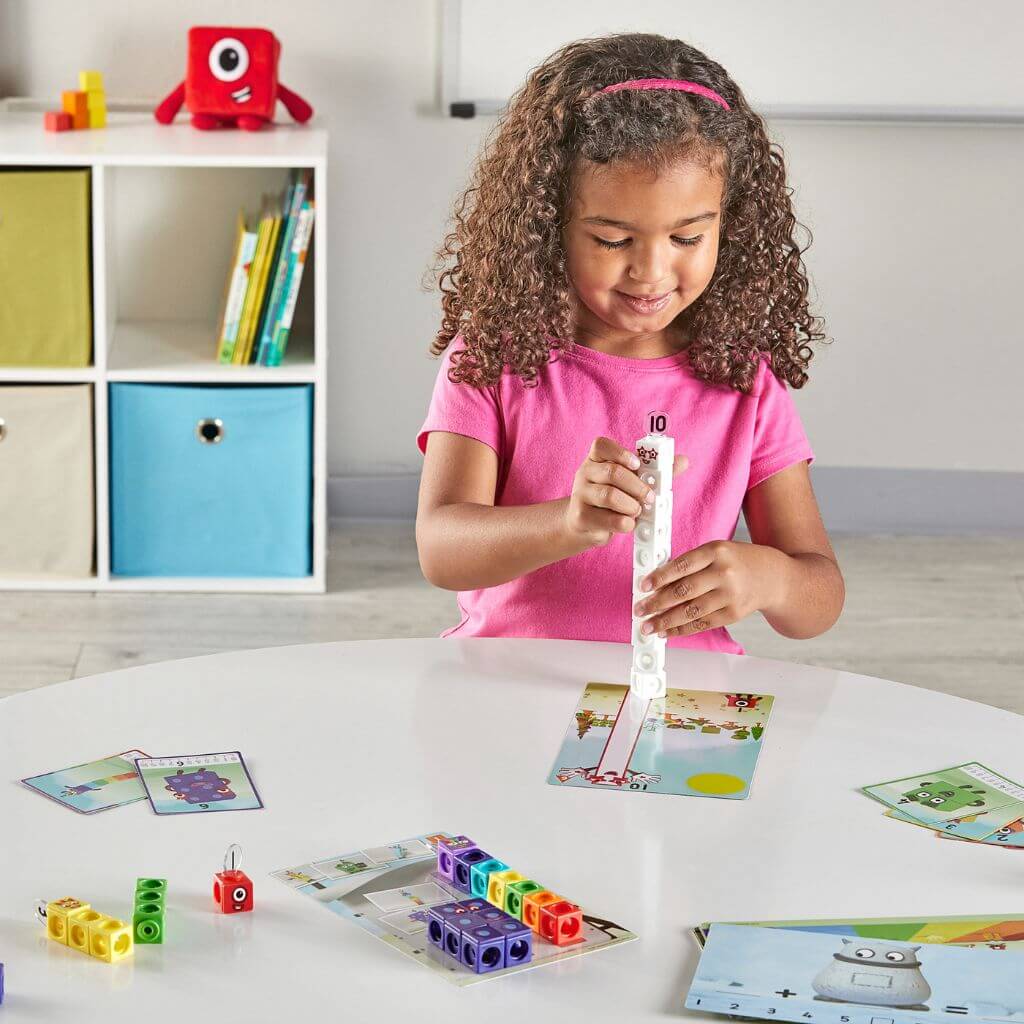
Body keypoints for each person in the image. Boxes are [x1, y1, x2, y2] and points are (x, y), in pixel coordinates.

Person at [416, 33, 844, 655]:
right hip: (509, 682)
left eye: (687, 238)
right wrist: (568, 523)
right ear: (548, 225)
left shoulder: (740, 377)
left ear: (730, 224)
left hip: (686, 700)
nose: (650, 272)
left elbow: (818, 599)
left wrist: (768, 578)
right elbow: (442, 551)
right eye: (614, 241)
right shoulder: (495, 357)